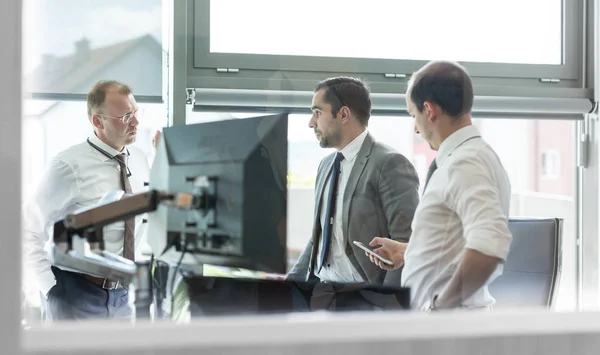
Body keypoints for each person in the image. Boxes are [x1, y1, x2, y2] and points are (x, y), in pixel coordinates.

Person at [366, 61, 513, 311]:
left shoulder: (466, 163)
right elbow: (454, 239)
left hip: (452, 324)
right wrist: (409, 251)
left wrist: (442, 307)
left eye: (414, 115)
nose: (415, 128)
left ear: (429, 110)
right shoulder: (468, 157)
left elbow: (489, 245)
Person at [23, 80, 151, 321]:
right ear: (97, 121)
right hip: (74, 293)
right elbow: (27, 229)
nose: (135, 122)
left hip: (122, 296)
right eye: (125, 116)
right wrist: (51, 289)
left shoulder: (141, 160)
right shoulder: (68, 166)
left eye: (135, 112)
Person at [287, 76, 420, 288]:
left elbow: (406, 245)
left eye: (317, 112)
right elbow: (319, 239)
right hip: (322, 292)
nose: (311, 122)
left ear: (343, 114)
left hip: (364, 300)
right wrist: (284, 289)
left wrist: (388, 305)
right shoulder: (325, 166)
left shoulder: (390, 164)